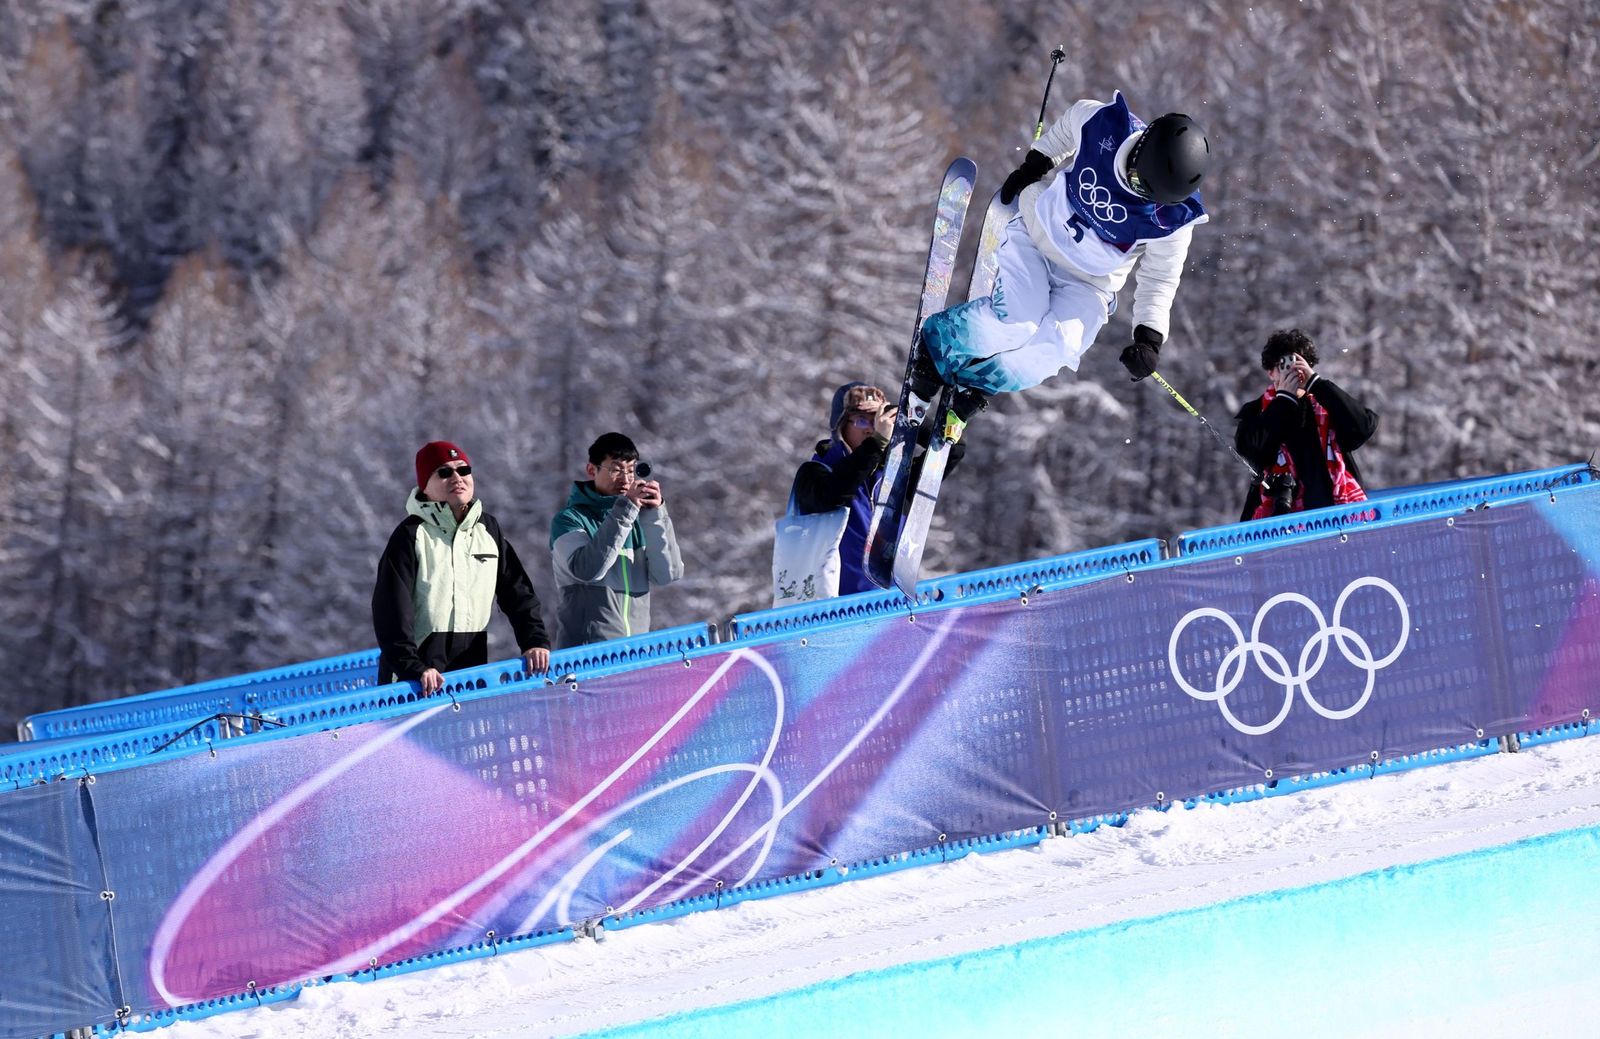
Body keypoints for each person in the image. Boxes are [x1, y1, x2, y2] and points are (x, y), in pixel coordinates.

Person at [911, 91, 1210, 427]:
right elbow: (1069, 124)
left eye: (1152, 196)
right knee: (1018, 323)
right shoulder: (1105, 126)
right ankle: (937, 344)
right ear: (1140, 149)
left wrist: (1149, 338)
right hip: (1038, 237)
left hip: (1090, 282)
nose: (1141, 195)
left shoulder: (1173, 218)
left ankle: (978, 381)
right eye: (1140, 183)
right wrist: (1038, 161)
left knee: (1057, 349)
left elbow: (1160, 278)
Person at [373, 441, 551, 693]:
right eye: (444, 472)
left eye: (463, 470)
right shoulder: (410, 535)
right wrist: (413, 667)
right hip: (413, 682)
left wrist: (534, 641)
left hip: (470, 675)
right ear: (425, 486)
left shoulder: (488, 530)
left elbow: (518, 592)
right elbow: (391, 612)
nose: (457, 478)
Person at [789, 382, 965, 598]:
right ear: (841, 426)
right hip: (831, 607)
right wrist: (876, 444)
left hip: (888, 605)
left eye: (876, 420)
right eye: (861, 420)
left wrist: (911, 421)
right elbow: (835, 493)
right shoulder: (814, 473)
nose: (870, 428)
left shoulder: (896, 478)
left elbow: (951, 451)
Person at [550, 432, 684, 649]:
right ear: (591, 470)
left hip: (636, 651)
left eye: (631, 470)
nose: (625, 479)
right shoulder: (569, 520)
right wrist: (626, 510)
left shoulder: (638, 520)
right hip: (588, 653)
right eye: (615, 470)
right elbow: (587, 570)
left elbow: (667, 574)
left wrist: (655, 515)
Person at [1234, 329, 1378, 520]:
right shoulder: (1257, 411)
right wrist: (1283, 400)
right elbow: (1252, 451)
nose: (1292, 371)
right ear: (1270, 372)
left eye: (1298, 364)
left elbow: (1363, 427)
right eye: (1283, 366)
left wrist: (1317, 384)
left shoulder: (1327, 404)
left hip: (1335, 514)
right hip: (1282, 519)